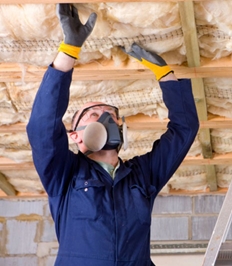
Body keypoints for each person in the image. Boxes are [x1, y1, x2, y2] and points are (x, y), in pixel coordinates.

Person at [26, 4, 199, 266]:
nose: (107, 119)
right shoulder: (64, 174)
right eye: (94, 114)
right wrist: (68, 51)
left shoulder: (142, 176)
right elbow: (42, 127)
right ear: (75, 136)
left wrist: (165, 75)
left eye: (112, 114)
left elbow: (184, 129)